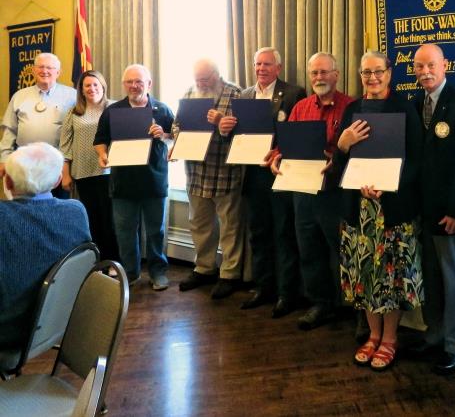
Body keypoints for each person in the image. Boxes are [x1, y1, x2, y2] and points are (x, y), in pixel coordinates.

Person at [334, 51, 423, 371]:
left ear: (389, 73)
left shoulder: (405, 108)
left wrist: (389, 185)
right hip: (358, 209)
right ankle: (372, 335)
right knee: (364, 274)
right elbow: (340, 164)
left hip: (392, 208)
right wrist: (343, 144)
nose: (372, 78)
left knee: (391, 277)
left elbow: (416, 160)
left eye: (378, 71)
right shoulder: (352, 109)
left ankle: (389, 339)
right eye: (366, 72)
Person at [411, 43, 455, 375]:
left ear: (445, 66)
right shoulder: (414, 104)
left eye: (431, 65)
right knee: (430, 278)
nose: (425, 71)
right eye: (419, 66)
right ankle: (434, 335)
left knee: (454, 281)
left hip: (451, 213)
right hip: (422, 212)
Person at [270, 52, 354, 324]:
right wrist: (277, 158)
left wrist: (336, 157)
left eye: (324, 72)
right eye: (314, 73)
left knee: (344, 250)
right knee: (310, 250)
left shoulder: (351, 107)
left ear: (336, 74)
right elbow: (286, 145)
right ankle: (320, 304)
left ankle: (356, 310)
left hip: (336, 192)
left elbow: (360, 152)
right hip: (303, 192)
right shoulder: (300, 107)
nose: (319, 77)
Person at [221, 47, 305, 310]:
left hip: (280, 174)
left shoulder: (294, 93)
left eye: (267, 64)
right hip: (253, 176)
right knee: (258, 234)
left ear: (278, 68)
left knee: (283, 234)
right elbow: (239, 137)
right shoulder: (244, 95)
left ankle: (286, 294)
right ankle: (263, 288)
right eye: (257, 64)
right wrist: (226, 130)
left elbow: (297, 132)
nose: (261, 69)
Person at [0, 142, 91, 350]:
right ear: (58, 180)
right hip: (59, 322)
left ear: (8, 181)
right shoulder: (76, 211)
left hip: (8, 331)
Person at [94, 64, 174, 290]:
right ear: (124, 84)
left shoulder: (163, 110)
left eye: (139, 81)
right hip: (123, 182)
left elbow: (175, 139)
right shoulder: (113, 110)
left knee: (156, 231)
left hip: (154, 180)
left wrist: (164, 134)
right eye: (129, 81)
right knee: (125, 232)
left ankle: (158, 272)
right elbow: (100, 140)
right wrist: (102, 156)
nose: (134, 85)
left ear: (149, 84)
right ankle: (130, 273)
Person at [175, 59, 246, 299]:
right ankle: (204, 268)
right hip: (196, 172)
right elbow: (176, 126)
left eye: (205, 79)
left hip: (225, 172)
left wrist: (220, 123)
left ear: (217, 74)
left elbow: (245, 134)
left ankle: (230, 274)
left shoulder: (235, 94)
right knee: (200, 224)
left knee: (230, 226)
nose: (201, 83)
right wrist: (177, 141)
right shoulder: (188, 93)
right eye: (198, 79)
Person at [59, 70, 119, 261]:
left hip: (108, 172)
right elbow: (65, 146)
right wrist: (66, 174)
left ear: (103, 87)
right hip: (82, 173)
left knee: (110, 219)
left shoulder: (114, 108)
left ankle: (113, 261)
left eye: (95, 84)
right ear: (81, 90)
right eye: (87, 85)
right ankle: (97, 260)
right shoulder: (74, 112)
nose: (92, 88)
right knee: (91, 219)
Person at [0, 53, 76, 198]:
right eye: (40, 67)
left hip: (58, 164)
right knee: (25, 206)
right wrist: (4, 159)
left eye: (49, 67)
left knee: (56, 206)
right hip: (24, 164)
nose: (44, 71)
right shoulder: (19, 96)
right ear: (34, 70)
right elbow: (10, 131)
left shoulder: (73, 96)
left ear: (58, 72)